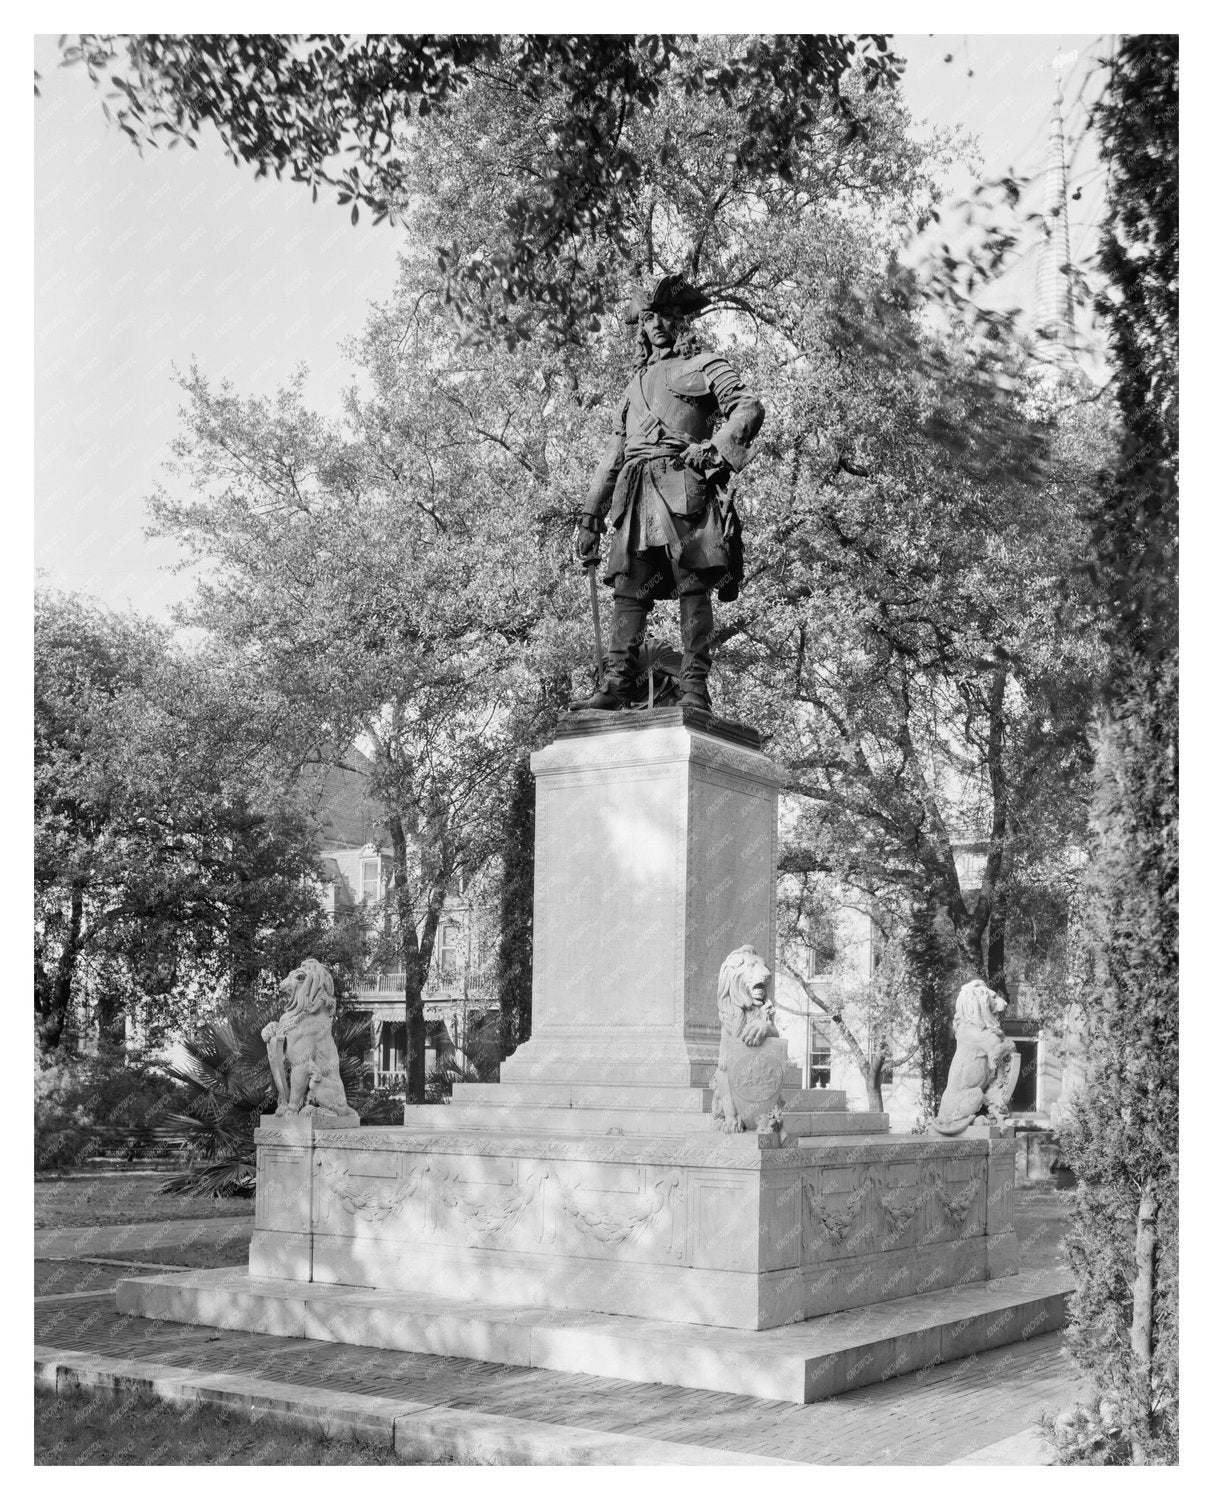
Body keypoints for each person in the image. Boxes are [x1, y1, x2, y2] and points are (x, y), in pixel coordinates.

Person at [572, 273, 764, 714]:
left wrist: (714, 452)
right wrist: (590, 517)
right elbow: (613, 455)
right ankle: (620, 682)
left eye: (667, 315)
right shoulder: (632, 388)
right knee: (630, 593)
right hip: (635, 495)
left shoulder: (707, 365)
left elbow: (748, 407)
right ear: (641, 326)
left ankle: (694, 686)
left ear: (682, 321)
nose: (658, 323)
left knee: (693, 589)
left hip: (685, 487)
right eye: (649, 317)